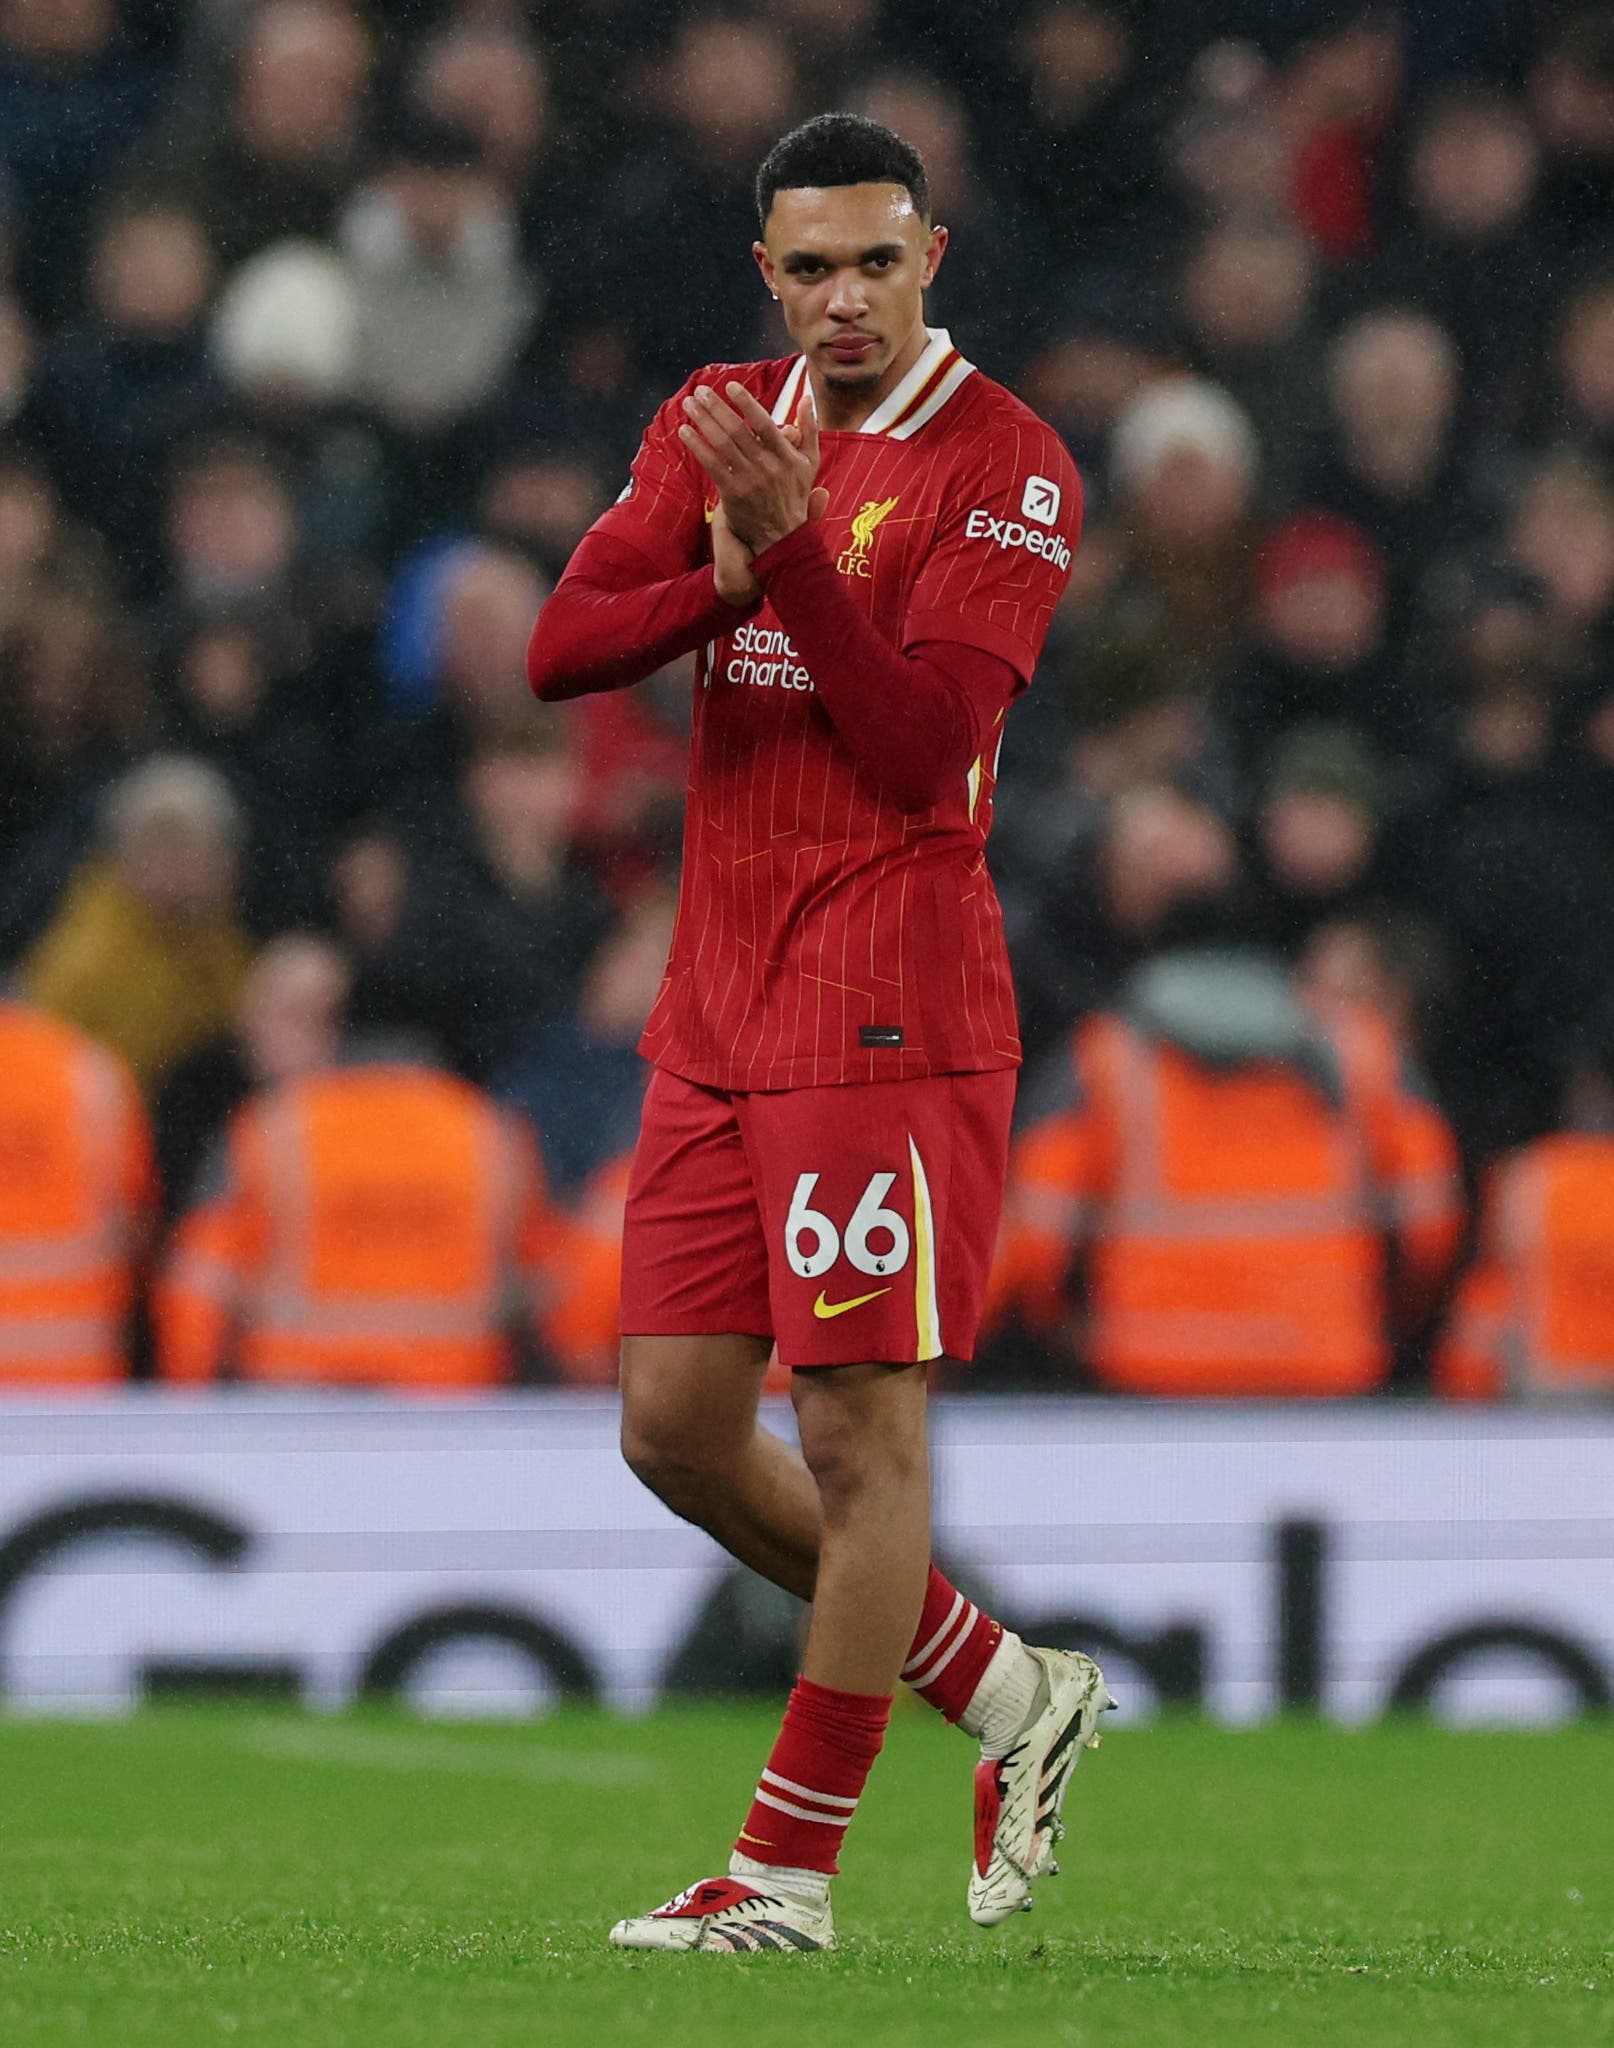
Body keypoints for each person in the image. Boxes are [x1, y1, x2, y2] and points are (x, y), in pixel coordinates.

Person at [527, 113, 1111, 1956]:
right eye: (808, 266)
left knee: (857, 1442)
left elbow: (923, 744)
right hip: (716, 998)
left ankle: (782, 1879)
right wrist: (722, 561)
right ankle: (1006, 1691)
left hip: (887, 1001)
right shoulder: (721, 409)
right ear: (764, 272)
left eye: (876, 259)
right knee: (675, 1429)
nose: (843, 295)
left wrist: (780, 552)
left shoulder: (1008, 466)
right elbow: (561, 645)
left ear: (933, 255)